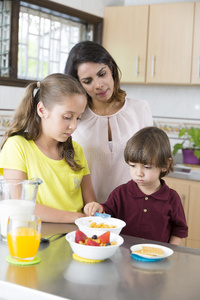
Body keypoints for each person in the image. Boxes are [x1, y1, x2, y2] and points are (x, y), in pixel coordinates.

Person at [0, 73, 96, 223]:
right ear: (42, 110)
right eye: (67, 117)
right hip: (38, 235)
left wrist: (93, 208)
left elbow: (90, 202)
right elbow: (20, 204)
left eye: (78, 117)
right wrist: (76, 217)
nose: (74, 126)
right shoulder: (17, 146)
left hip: (76, 235)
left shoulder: (76, 150)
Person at [64, 41, 153, 203]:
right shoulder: (76, 118)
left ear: (111, 69)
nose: (99, 85)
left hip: (134, 207)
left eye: (102, 74)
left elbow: (152, 162)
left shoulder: (140, 109)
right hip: (88, 210)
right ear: (79, 84)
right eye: (88, 81)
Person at [84, 126, 188, 245]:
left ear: (165, 164)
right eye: (133, 165)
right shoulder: (120, 193)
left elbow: (179, 230)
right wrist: (98, 208)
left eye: (147, 167)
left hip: (156, 257)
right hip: (123, 256)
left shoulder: (172, 198)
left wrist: (169, 252)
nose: (138, 173)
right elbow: (107, 213)